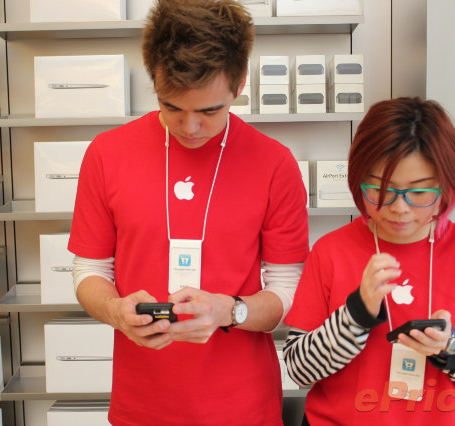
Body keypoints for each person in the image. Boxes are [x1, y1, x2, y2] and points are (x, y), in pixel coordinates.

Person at [68, 0, 310, 424]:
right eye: (172, 107)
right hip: (141, 403)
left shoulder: (275, 163)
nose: (190, 127)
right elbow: (90, 270)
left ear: (240, 85)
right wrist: (116, 313)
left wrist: (228, 312)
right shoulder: (106, 154)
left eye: (209, 110)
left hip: (243, 406)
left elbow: (288, 289)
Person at [283, 97, 455, 425]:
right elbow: (299, 370)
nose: (399, 208)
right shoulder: (331, 251)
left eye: (419, 192)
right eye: (382, 190)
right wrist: (356, 313)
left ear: (446, 186)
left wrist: (453, 347)